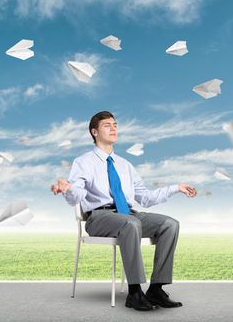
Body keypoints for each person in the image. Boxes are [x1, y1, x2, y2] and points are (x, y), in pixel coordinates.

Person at [50, 111, 197, 311]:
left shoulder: (125, 165)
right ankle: (135, 292)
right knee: (131, 223)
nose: (113, 128)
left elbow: (145, 198)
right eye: (107, 125)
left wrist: (175, 188)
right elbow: (77, 195)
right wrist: (67, 188)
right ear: (94, 132)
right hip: (100, 217)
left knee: (170, 225)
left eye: (115, 124)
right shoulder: (83, 162)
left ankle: (156, 288)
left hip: (128, 214)